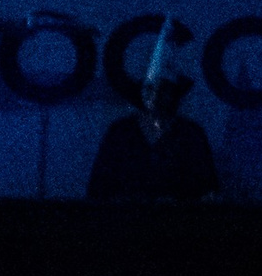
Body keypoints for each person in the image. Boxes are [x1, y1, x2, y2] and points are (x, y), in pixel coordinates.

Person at [87, 40, 218, 204]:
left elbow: (207, 189)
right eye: (150, 88)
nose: (155, 96)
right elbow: (98, 187)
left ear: (174, 94)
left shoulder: (191, 134)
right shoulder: (120, 132)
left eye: (163, 89)